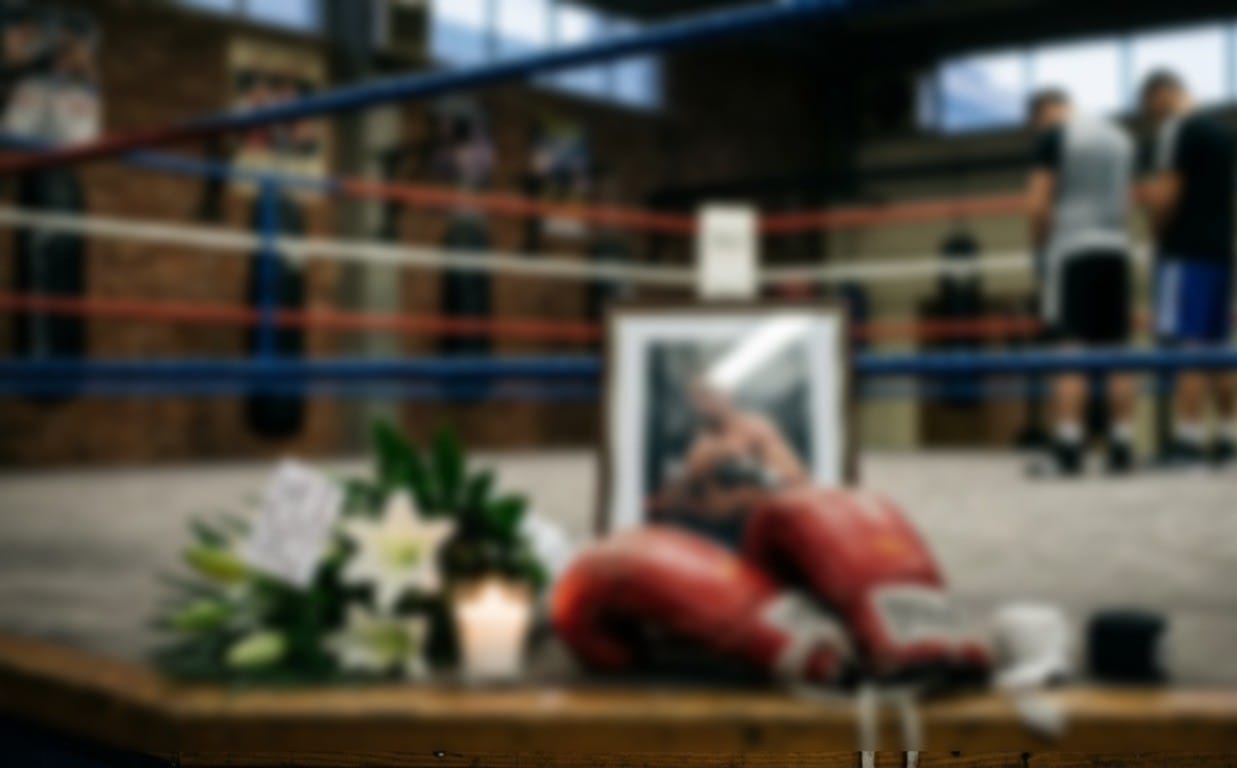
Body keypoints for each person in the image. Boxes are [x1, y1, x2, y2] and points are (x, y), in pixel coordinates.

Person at [1026, 88, 1137, 475]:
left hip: (1072, 251)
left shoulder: (1054, 136)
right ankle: (1122, 444)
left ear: (1042, 112)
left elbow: (1038, 204)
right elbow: (1125, 199)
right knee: (1117, 351)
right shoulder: (1119, 137)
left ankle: (1069, 446)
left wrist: (1039, 249)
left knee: (1069, 347)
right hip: (1116, 248)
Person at [1138, 70, 1236, 468]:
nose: (1152, 116)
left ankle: (1190, 442)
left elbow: (1167, 195)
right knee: (1219, 346)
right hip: (1219, 251)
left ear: (1161, 94)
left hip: (1185, 253)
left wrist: (1154, 235)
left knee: (1188, 346)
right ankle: (1228, 440)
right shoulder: (1223, 133)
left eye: (1150, 107)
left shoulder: (1177, 129)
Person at [651, 378, 808, 547]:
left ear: (726, 394)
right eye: (696, 398)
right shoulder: (698, 442)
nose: (704, 404)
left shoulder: (755, 429)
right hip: (711, 535)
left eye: (707, 394)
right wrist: (694, 474)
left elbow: (794, 481)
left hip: (755, 530)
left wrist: (745, 476)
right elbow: (679, 500)